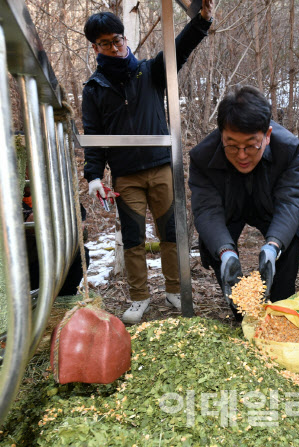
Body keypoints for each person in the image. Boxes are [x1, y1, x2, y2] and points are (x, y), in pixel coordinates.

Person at [82, 1, 214, 324]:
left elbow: (178, 50)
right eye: (105, 43)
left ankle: (173, 288)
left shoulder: (149, 73)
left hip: (161, 167)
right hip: (126, 176)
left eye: (118, 40)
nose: (115, 47)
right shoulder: (94, 89)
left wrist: (201, 21)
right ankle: (139, 298)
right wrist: (94, 177)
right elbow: (94, 134)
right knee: (133, 237)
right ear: (96, 47)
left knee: (170, 231)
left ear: (124, 38)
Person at [189, 86, 299, 320]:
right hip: (228, 209)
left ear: (268, 135)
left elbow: (290, 201)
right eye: (231, 145)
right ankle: (243, 313)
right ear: (221, 134)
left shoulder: (288, 149)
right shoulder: (202, 156)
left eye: (252, 145)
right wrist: (226, 251)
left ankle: (281, 309)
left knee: (290, 241)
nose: (242, 155)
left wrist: (273, 245)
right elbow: (207, 210)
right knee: (215, 246)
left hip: (269, 206)